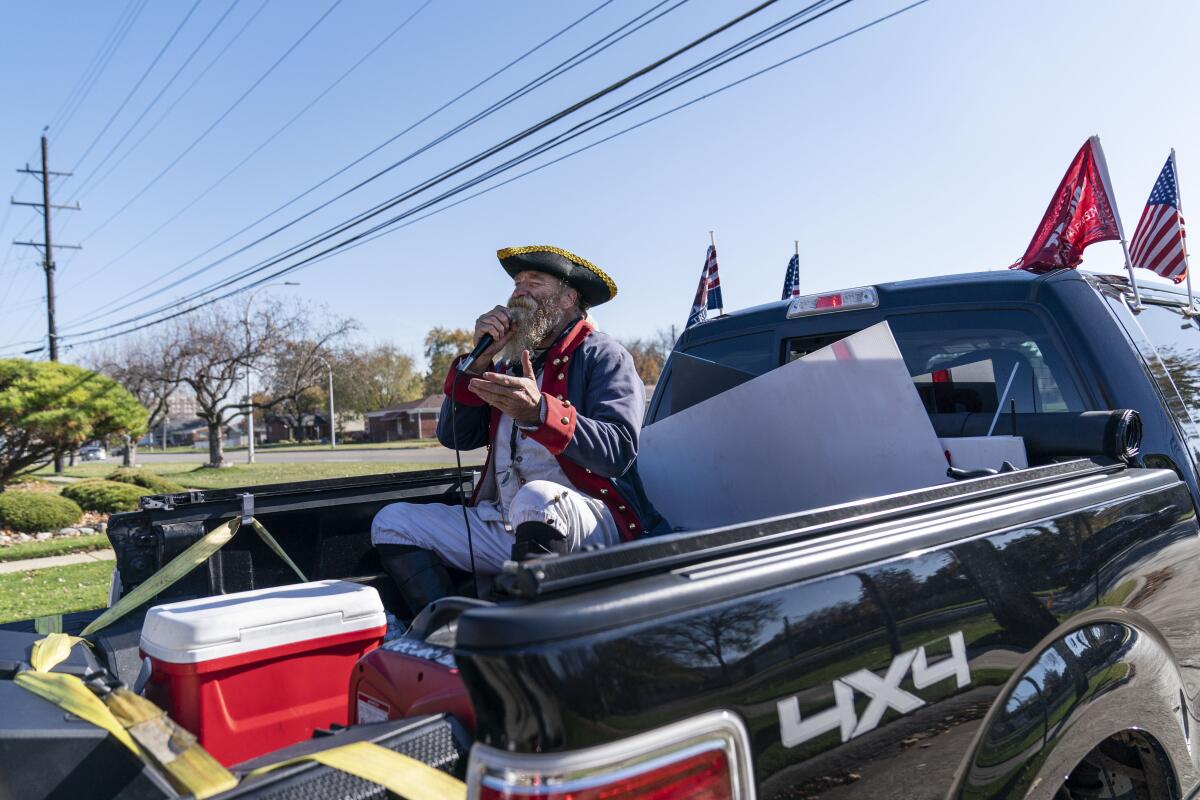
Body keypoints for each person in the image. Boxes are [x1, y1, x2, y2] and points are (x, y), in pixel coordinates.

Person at [371, 245, 662, 617]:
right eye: (517, 283)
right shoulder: (508, 363)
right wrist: (479, 361)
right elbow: (454, 437)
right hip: (510, 520)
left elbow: (618, 450)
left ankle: (522, 635)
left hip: (591, 520)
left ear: (568, 298)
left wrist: (540, 411)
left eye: (534, 282)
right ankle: (449, 629)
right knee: (392, 522)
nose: (519, 291)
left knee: (535, 498)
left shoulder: (604, 356)